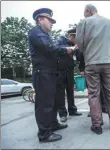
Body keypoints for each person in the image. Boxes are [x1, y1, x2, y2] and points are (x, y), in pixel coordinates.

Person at [28, 8, 75, 142]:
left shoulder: (45, 34)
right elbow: (49, 49)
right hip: (43, 74)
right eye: (49, 20)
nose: (52, 23)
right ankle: (44, 134)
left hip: (50, 73)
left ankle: (53, 124)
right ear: (40, 19)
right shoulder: (36, 32)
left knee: (54, 102)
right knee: (45, 104)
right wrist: (66, 50)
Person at [76, 4, 110, 135]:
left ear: (88, 11)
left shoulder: (83, 23)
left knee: (94, 93)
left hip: (91, 62)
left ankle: (97, 125)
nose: (84, 16)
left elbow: (79, 44)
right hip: (107, 61)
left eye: (85, 13)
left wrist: (87, 51)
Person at [56, 28, 82, 123]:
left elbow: (78, 57)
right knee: (61, 93)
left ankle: (72, 110)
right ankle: (62, 114)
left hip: (70, 70)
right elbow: (57, 50)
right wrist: (70, 49)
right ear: (72, 36)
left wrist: (78, 50)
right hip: (60, 70)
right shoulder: (61, 40)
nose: (77, 41)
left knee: (70, 91)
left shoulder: (74, 45)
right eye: (76, 39)